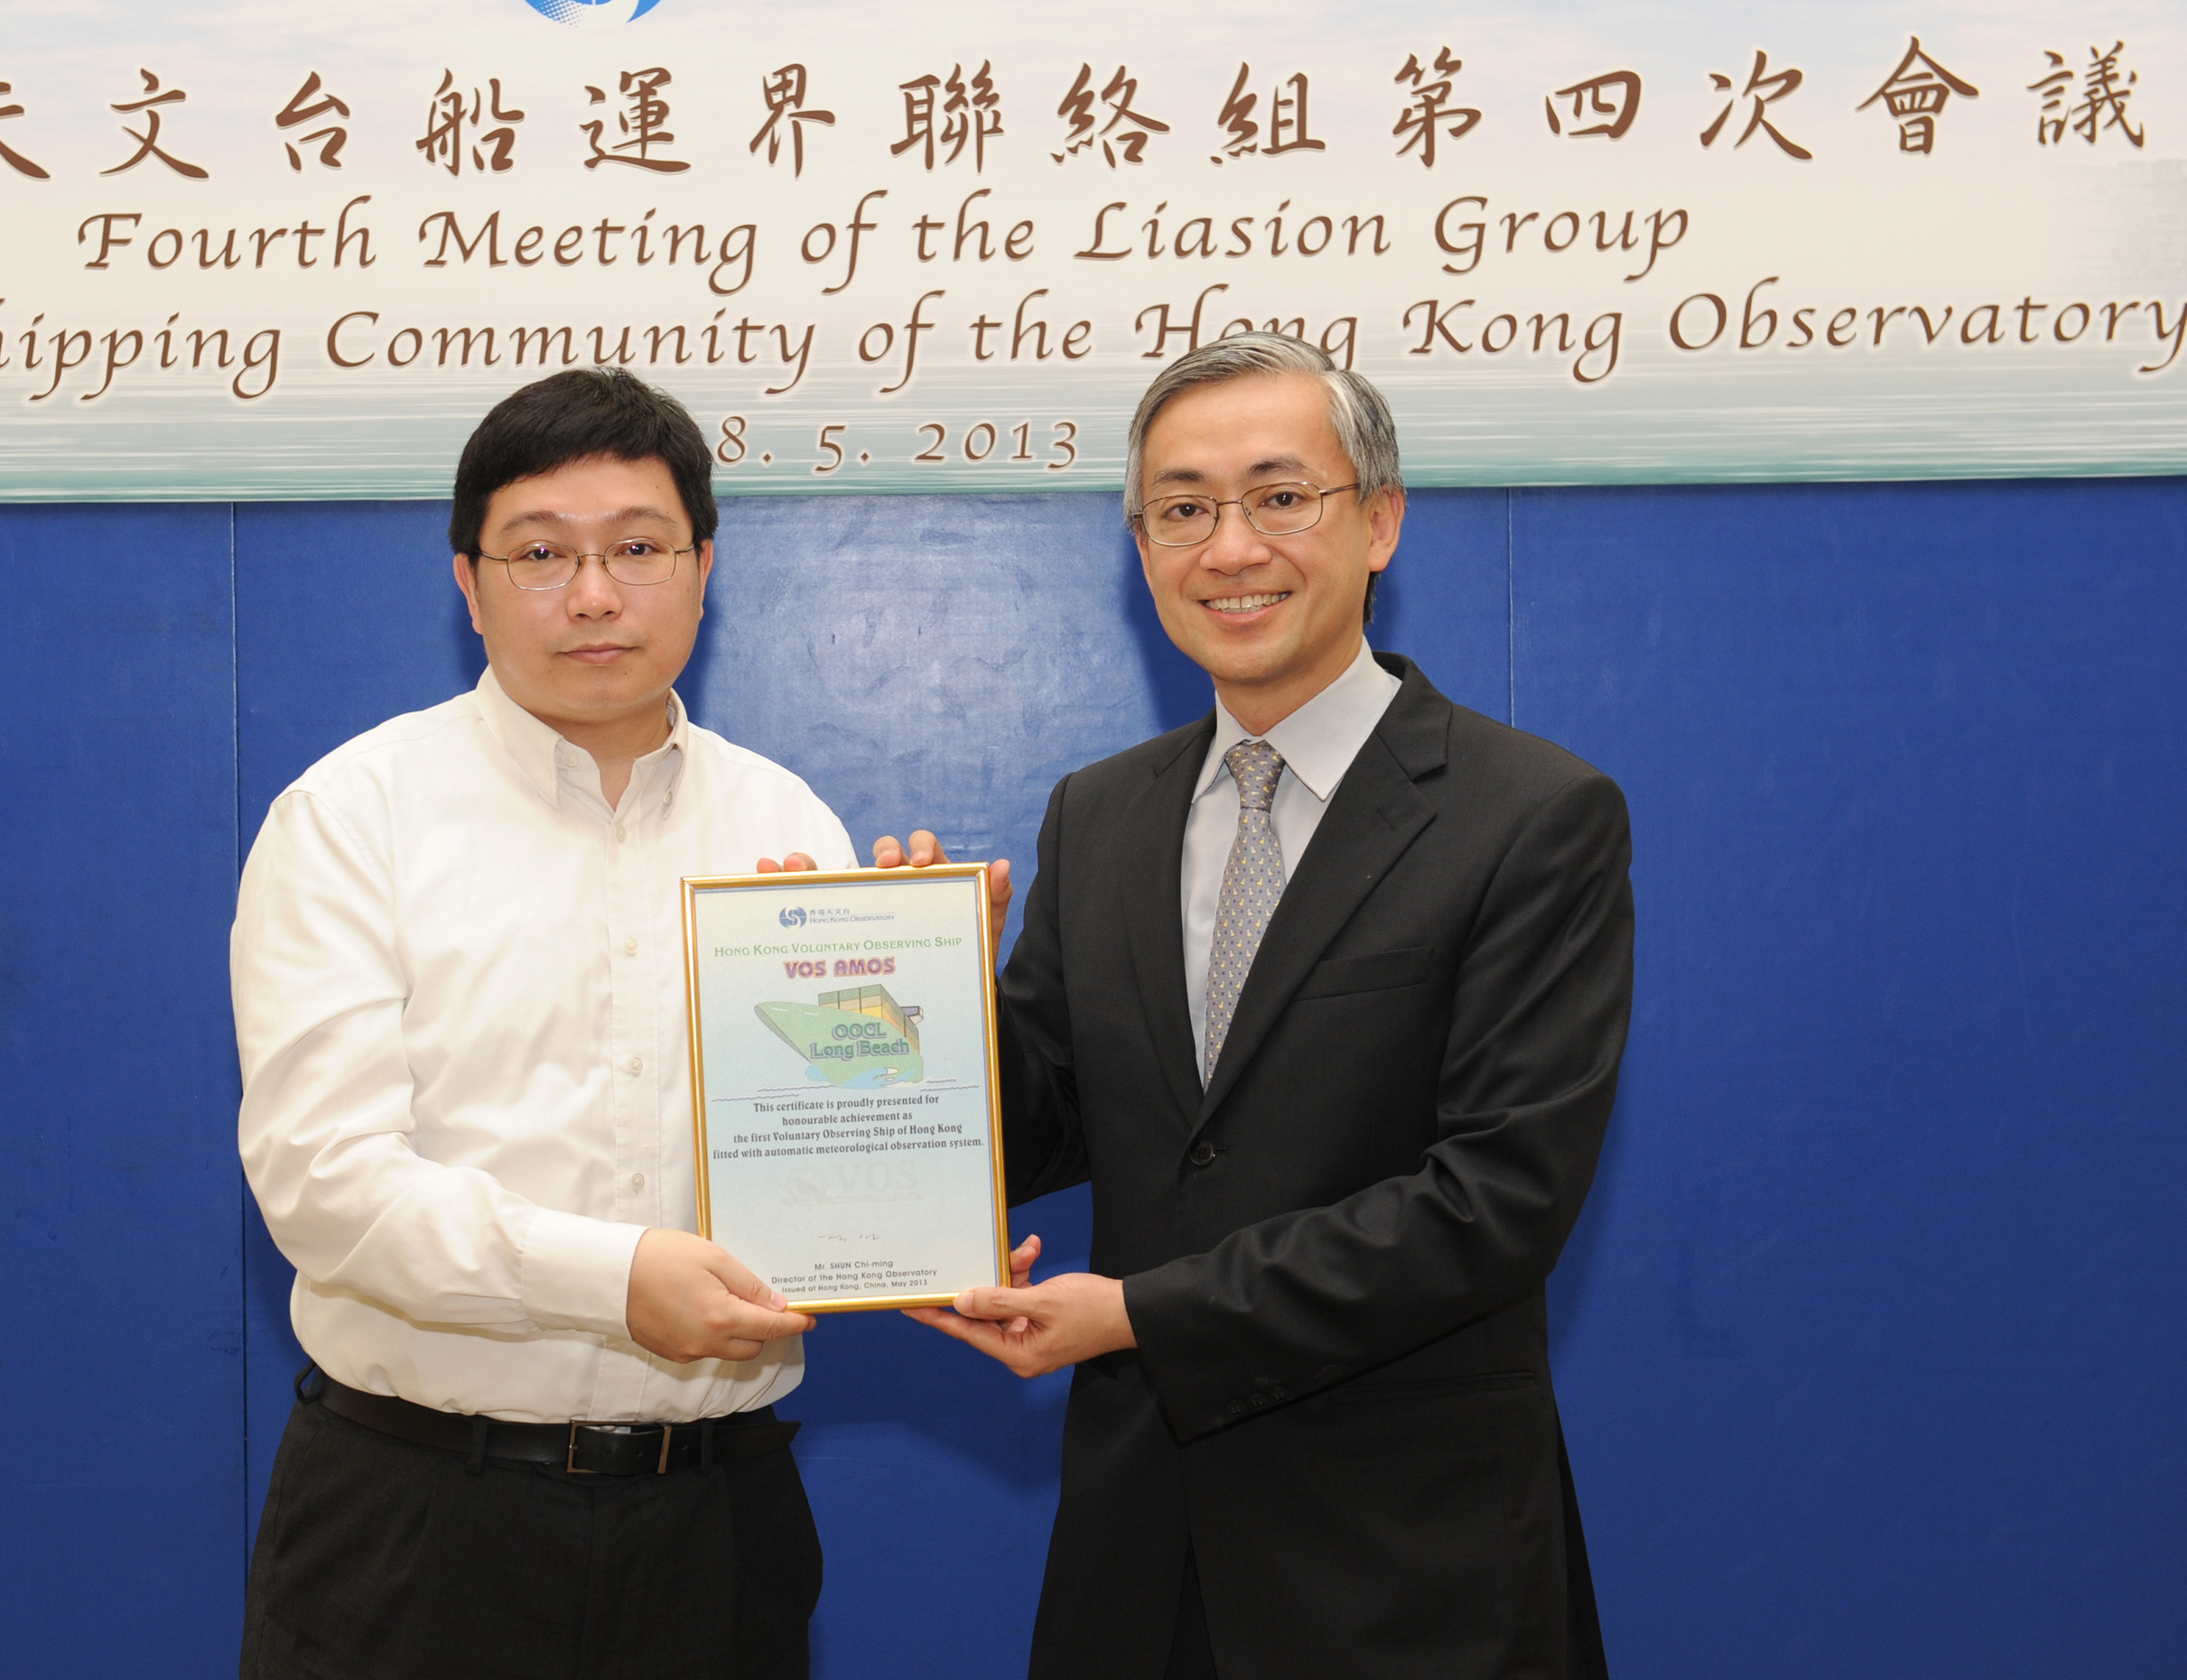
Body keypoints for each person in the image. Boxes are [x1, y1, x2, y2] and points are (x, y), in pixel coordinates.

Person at [895, 333, 1633, 1679]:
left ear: (1379, 522)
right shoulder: (1101, 811)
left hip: (1410, 1562)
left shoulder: (1530, 816)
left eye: (1280, 496)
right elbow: (1053, 1124)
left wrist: (1140, 1318)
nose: (1228, 546)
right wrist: (937, 1000)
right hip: (1138, 1546)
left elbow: (1497, 1201)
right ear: (1140, 545)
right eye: (1182, 508)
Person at [232, 367, 851, 1680]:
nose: (592, 594)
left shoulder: (789, 830)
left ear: (701, 566)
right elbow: (324, 1184)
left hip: (718, 1521)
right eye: (539, 553)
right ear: (468, 582)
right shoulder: (354, 815)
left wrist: (913, 1037)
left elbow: (830, 1170)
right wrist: (615, 1281)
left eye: (637, 547)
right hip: (421, 1519)